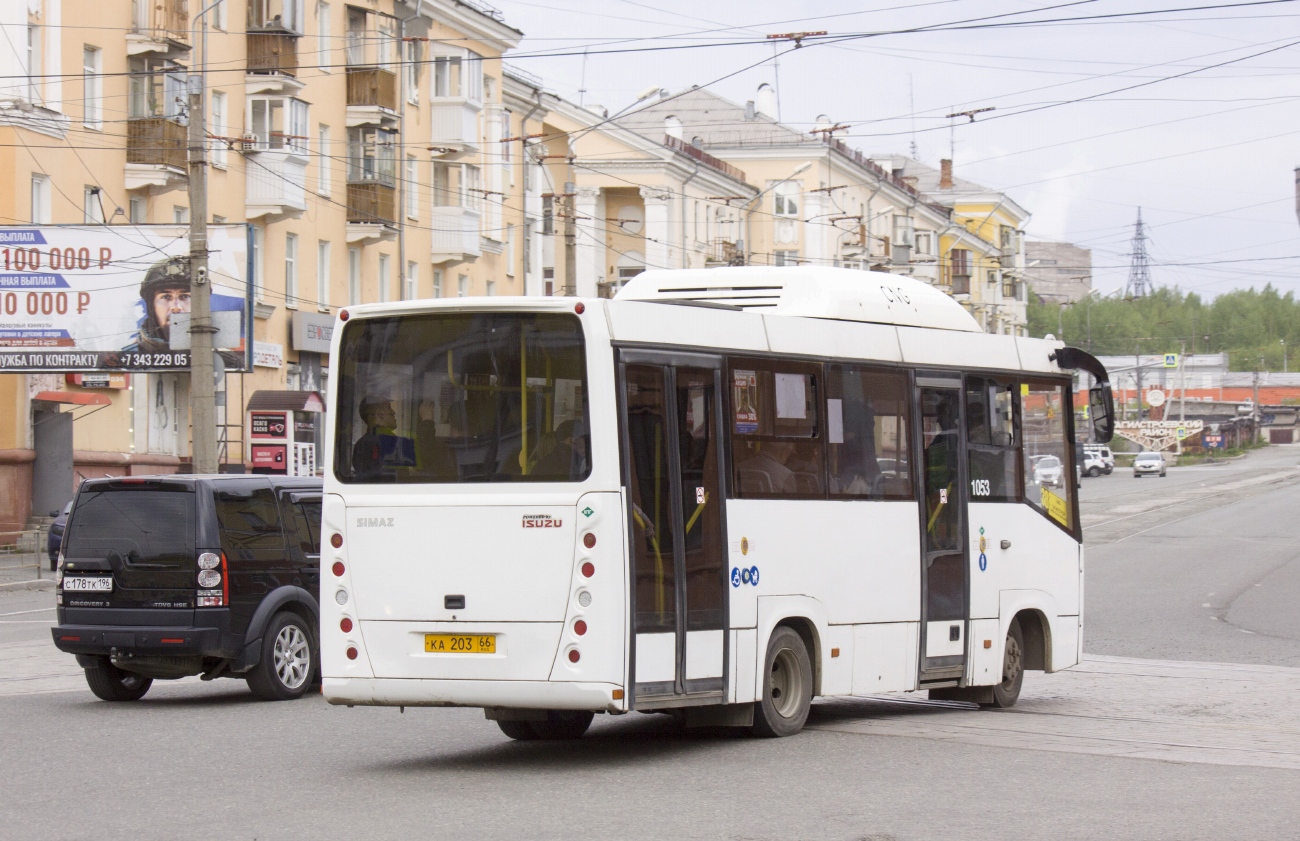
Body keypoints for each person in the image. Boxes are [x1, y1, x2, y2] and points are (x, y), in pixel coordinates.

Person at [124, 257, 191, 353]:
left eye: (185, 296)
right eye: (166, 297)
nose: (176, 308)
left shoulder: (215, 360)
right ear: (152, 306)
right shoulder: (126, 361)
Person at [351, 396, 415, 481]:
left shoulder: (361, 443)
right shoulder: (387, 441)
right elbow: (398, 479)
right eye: (389, 408)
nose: (393, 412)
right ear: (379, 414)